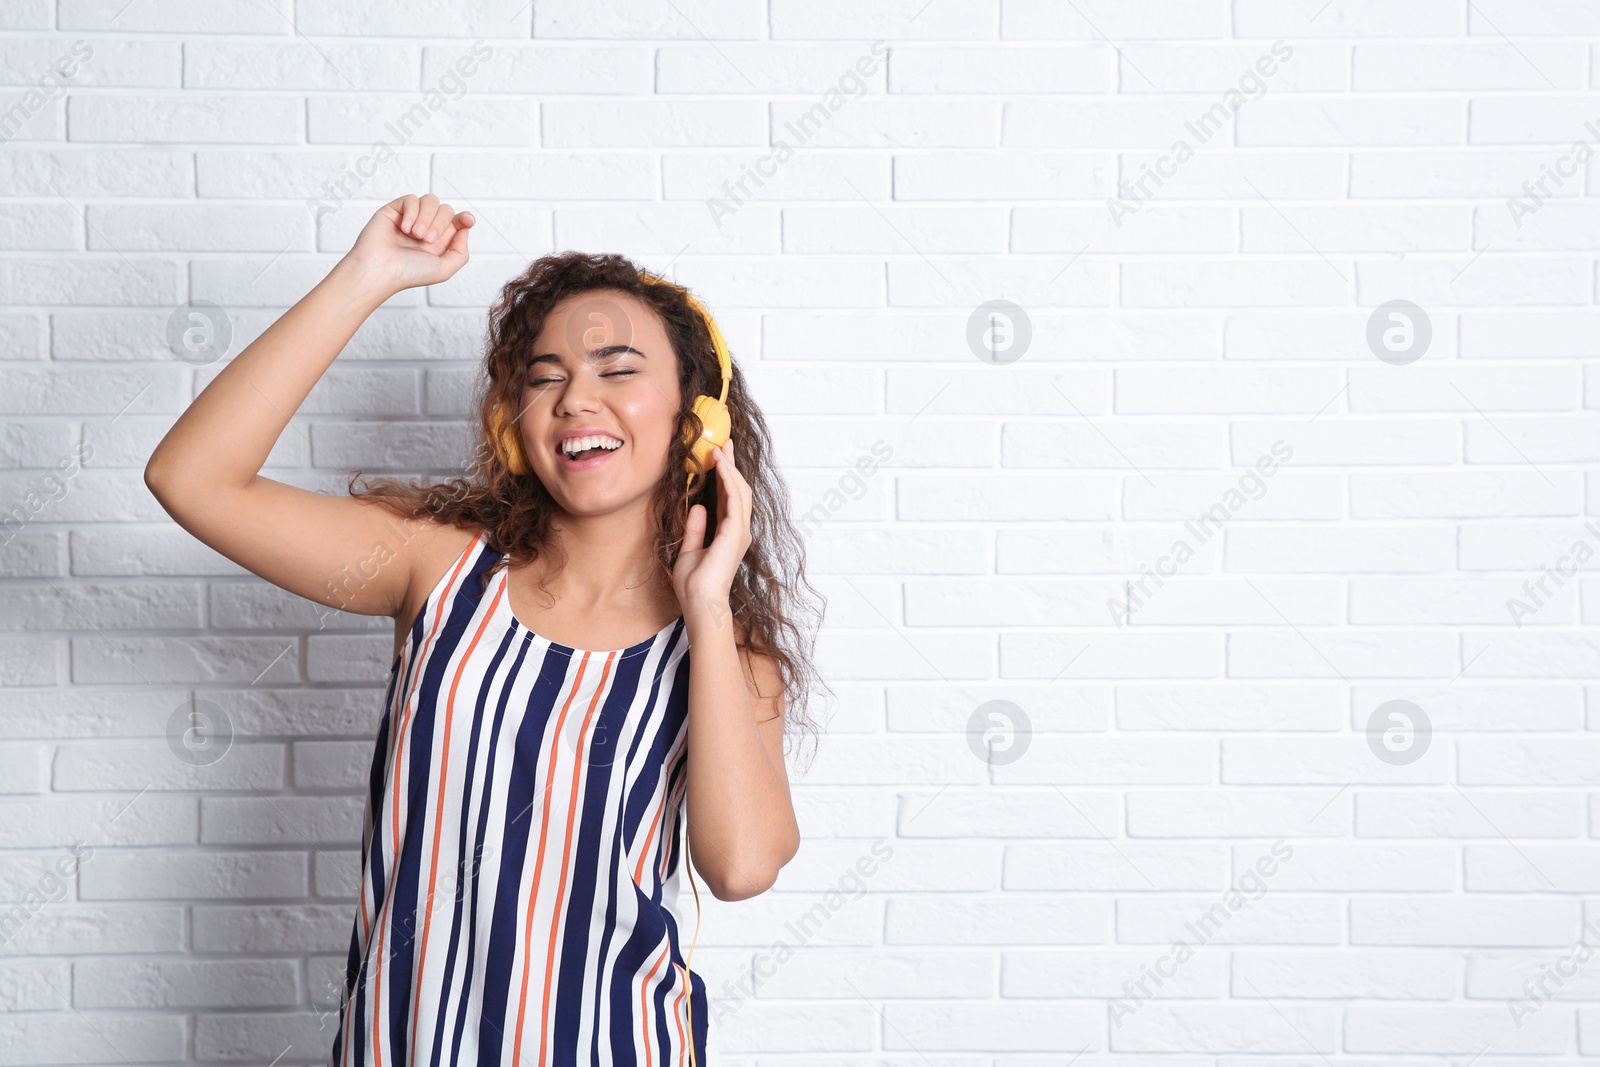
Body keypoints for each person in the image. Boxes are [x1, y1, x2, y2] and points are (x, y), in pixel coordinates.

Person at [144, 192, 828, 1066]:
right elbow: (191, 478)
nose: (577, 398)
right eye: (545, 377)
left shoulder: (724, 653)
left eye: (618, 369)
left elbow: (740, 869)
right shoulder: (438, 569)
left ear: (700, 420)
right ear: (516, 429)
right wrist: (369, 276)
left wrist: (703, 602)